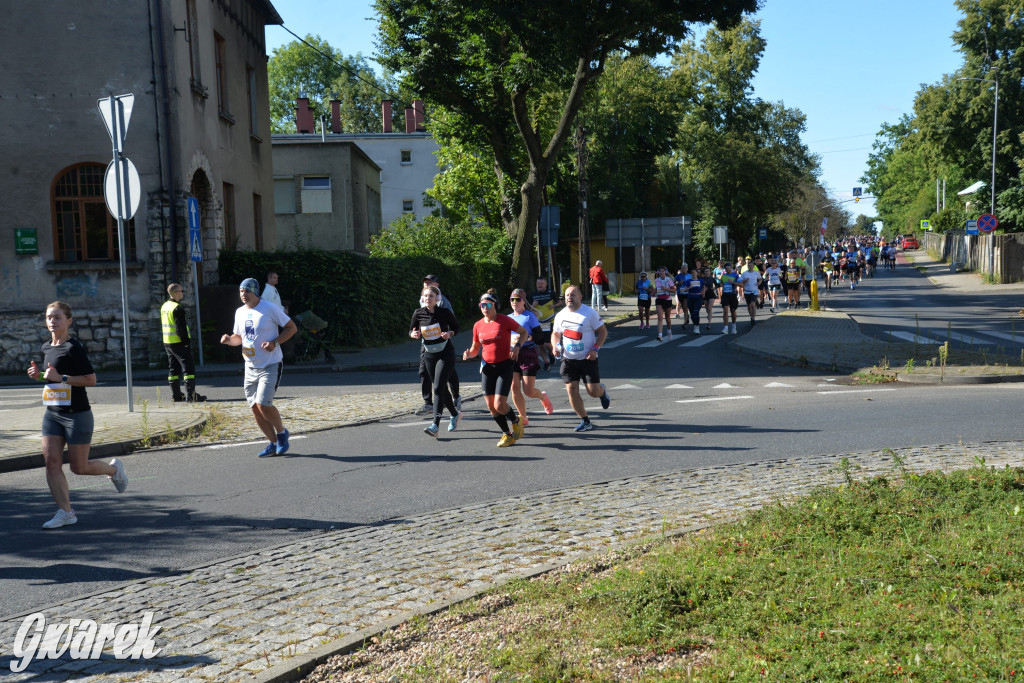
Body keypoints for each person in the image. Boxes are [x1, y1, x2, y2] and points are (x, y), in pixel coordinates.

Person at [27, 301, 127, 529]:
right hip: (53, 413)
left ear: (69, 321)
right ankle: (66, 512)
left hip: (77, 414)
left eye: (57, 317)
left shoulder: (73, 348)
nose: (52, 321)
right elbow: (52, 377)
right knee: (51, 462)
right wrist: (39, 375)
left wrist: (61, 378)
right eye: (49, 317)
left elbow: (91, 379)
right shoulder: (46, 347)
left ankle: (114, 470)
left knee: (78, 467)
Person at [220, 278, 298, 457]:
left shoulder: (269, 308)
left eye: (247, 291)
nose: (243, 294)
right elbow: (239, 337)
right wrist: (229, 340)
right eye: (241, 291)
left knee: (263, 404)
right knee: (255, 407)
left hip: (270, 364)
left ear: (255, 292)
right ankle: (273, 443)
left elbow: (291, 328)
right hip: (250, 367)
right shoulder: (240, 312)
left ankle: (281, 433)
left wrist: (274, 343)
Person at [462, 292, 529, 447]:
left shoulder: (504, 320)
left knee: (499, 405)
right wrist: (469, 354)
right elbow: (475, 348)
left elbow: (524, 332)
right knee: (491, 406)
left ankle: (516, 421)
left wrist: (517, 346)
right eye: (482, 305)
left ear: (495, 305)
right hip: (487, 367)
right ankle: (507, 435)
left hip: (505, 365)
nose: (484, 308)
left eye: (488, 305)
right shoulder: (478, 325)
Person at [551, 285, 610, 432]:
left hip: (588, 358)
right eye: (567, 295)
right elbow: (555, 334)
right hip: (568, 359)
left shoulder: (589, 313)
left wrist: (595, 349)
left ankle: (602, 391)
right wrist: (555, 346)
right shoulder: (560, 315)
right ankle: (585, 420)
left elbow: (603, 332)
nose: (569, 298)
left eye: (572, 295)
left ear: (580, 297)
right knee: (571, 389)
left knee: (593, 392)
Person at [410, 286, 461, 437]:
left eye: (431, 296)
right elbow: (411, 330)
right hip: (429, 355)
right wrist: (413, 334)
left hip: (446, 353)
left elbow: (456, 328)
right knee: (441, 388)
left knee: (437, 387)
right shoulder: (418, 313)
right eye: (425, 296)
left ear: (437, 299)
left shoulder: (444, 312)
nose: (428, 298)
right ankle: (454, 414)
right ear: (422, 298)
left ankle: (435, 425)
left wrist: (450, 333)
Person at [508, 289, 555, 426]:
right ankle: (523, 417)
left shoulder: (529, 316)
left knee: (528, 391)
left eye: (518, 299)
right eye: (512, 299)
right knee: (514, 387)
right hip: (512, 354)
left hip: (528, 353)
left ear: (524, 301)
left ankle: (543, 397)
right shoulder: (508, 318)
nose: (515, 302)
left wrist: (529, 337)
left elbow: (540, 337)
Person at [416, 274, 462, 414]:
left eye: (430, 282)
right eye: (425, 282)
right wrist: (415, 331)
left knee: (449, 371)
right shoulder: (422, 300)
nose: (427, 284)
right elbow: (419, 321)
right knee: (423, 371)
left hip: (443, 342)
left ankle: (456, 396)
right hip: (427, 343)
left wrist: (448, 333)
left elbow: (453, 322)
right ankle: (428, 403)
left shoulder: (443, 302)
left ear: (437, 285)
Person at [161, 283, 206, 403]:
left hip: (168, 342)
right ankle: (191, 395)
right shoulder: (177, 308)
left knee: (173, 368)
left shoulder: (165, 306)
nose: (183, 293)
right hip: (179, 342)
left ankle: (176, 395)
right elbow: (180, 328)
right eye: (181, 291)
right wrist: (185, 342)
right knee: (188, 368)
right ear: (176, 293)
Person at [527, 276, 562, 370]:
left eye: (542, 283)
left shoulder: (551, 293)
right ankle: (546, 363)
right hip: (538, 323)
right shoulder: (533, 295)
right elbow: (528, 309)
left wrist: (554, 306)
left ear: (546, 284)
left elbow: (560, 302)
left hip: (549, 321)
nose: (540, 285)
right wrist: (533, 305)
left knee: (547, 345)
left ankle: (550, 354)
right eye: (538, 284)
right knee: (540, 345)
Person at [653, 266, 676, 341]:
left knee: (667, 318)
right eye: (660, 271)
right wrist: (653, 292)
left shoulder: (668, 280)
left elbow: (674, 290)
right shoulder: (657, 280)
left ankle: (669, 331)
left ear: (665, 272)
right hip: (659, 299)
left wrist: (666, 289)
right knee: (660, 317)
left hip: (667, 299)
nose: (661, 272)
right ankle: (660, 335)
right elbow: (657, 288)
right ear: (658, 272)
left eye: (663, 271)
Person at [737, 262, 763, 327]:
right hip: (747, 291)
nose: (750, 267)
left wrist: (759, 283)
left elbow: (760, 278)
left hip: (754, 291)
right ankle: (751, 317)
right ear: (748, 266)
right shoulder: (744, 273)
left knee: (753, 304)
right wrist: (745, 280)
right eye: (749, 266)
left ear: (753, 266)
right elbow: (739, 281)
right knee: (749, 306)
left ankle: (753, 318)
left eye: (751, 265)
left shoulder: (756, 273)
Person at [719, 262, 740, 334]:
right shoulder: (723, 275)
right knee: (725, 310)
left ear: (731, 268)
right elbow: (721, 283)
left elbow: (741, 284)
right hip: (725, 294)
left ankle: (734, 326)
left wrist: (733, 282)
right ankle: (725, 328)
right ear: (725, 269)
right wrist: (722, 284)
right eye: (726, 268)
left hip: (733, 294)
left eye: (729, 267)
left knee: (733, 311)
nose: (728, 269)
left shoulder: (735, 275)